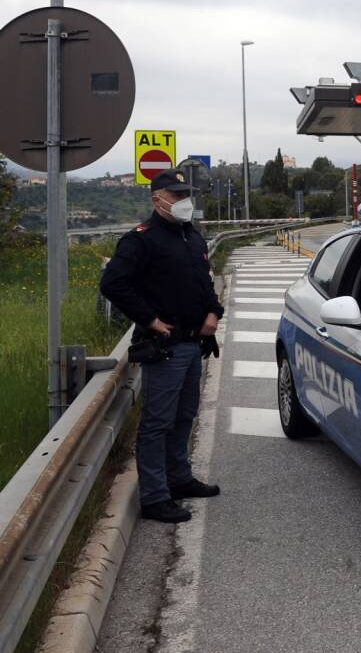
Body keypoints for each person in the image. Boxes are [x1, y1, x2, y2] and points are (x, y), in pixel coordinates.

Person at [100, 169, 223, 523]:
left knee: (185, 415)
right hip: (165, 345)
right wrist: (150, 320)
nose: (186, 201)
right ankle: (155, 497)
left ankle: (179, 478)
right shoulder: (141, 240)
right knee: (158, 422)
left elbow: (204, 282)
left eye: (188, 194)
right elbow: (113, 284)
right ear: (158, 200)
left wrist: (213, 312)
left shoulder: (192, 236)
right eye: (178, 195)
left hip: (194, 343)